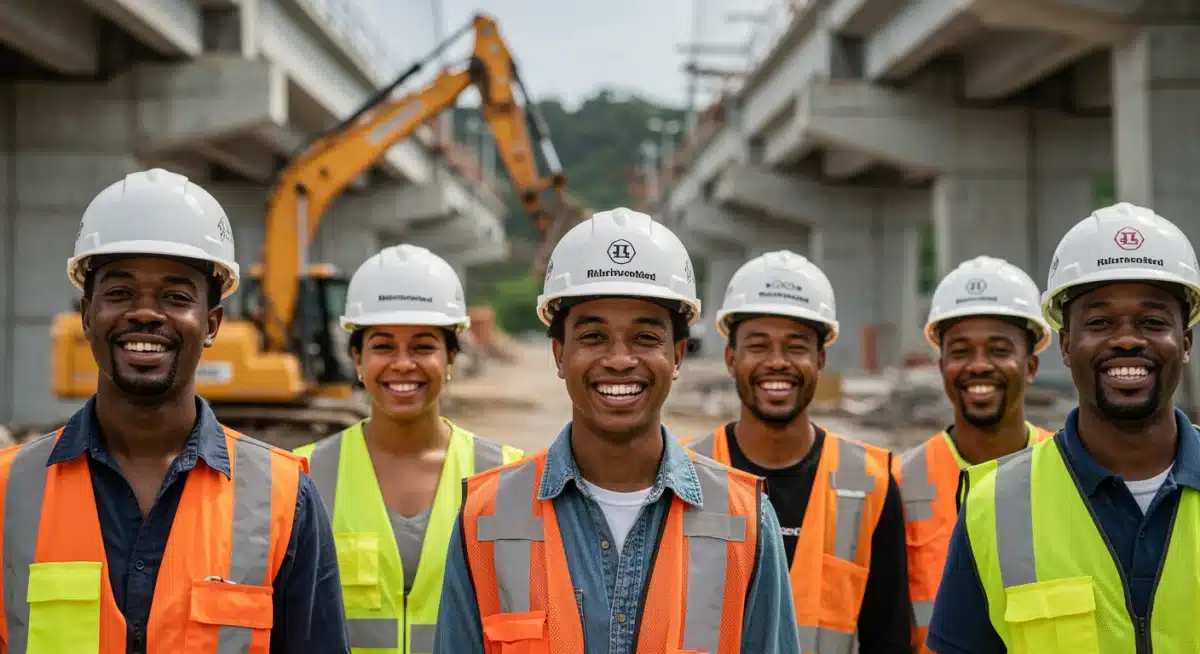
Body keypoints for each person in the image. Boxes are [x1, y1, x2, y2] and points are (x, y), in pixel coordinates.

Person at [0, 168, 350, 653]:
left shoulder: (285, 500)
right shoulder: (7, 493)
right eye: (119, 292)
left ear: (211, 324)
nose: (145, 312)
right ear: (86, 316)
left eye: (176, 297)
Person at [432, 208, 801, 653]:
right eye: (593, 337)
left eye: (645, 338)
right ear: (559, 354)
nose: (620, 359)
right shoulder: (486, 516)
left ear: (679, 355)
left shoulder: (747, 519)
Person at [927, 202, 1200, 653]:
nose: (1127, 339)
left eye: (1152, 322)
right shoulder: (994, 507)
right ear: (1067, 344)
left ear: (1184, 342)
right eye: (1100, 322)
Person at [294, 244, 524, 653]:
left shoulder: (507, 476)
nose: (403, 364)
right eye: (383, 346)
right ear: (357, 359)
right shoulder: (302, 474)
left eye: (422, 346)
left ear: (450, 357)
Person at [684, 249, 912, 653]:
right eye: (758, 346)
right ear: (730, 357)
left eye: (795, 346)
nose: (777, 362)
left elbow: (888, 638)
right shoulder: (684, 474)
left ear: (820, 360)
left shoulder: (871, 483)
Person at [892, 255, 1055, 653]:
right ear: (942, 364)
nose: (979, 366)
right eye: (961, 351)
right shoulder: (898, 482)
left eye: (999, 350)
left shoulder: (1068, 472)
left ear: (1030, 365)